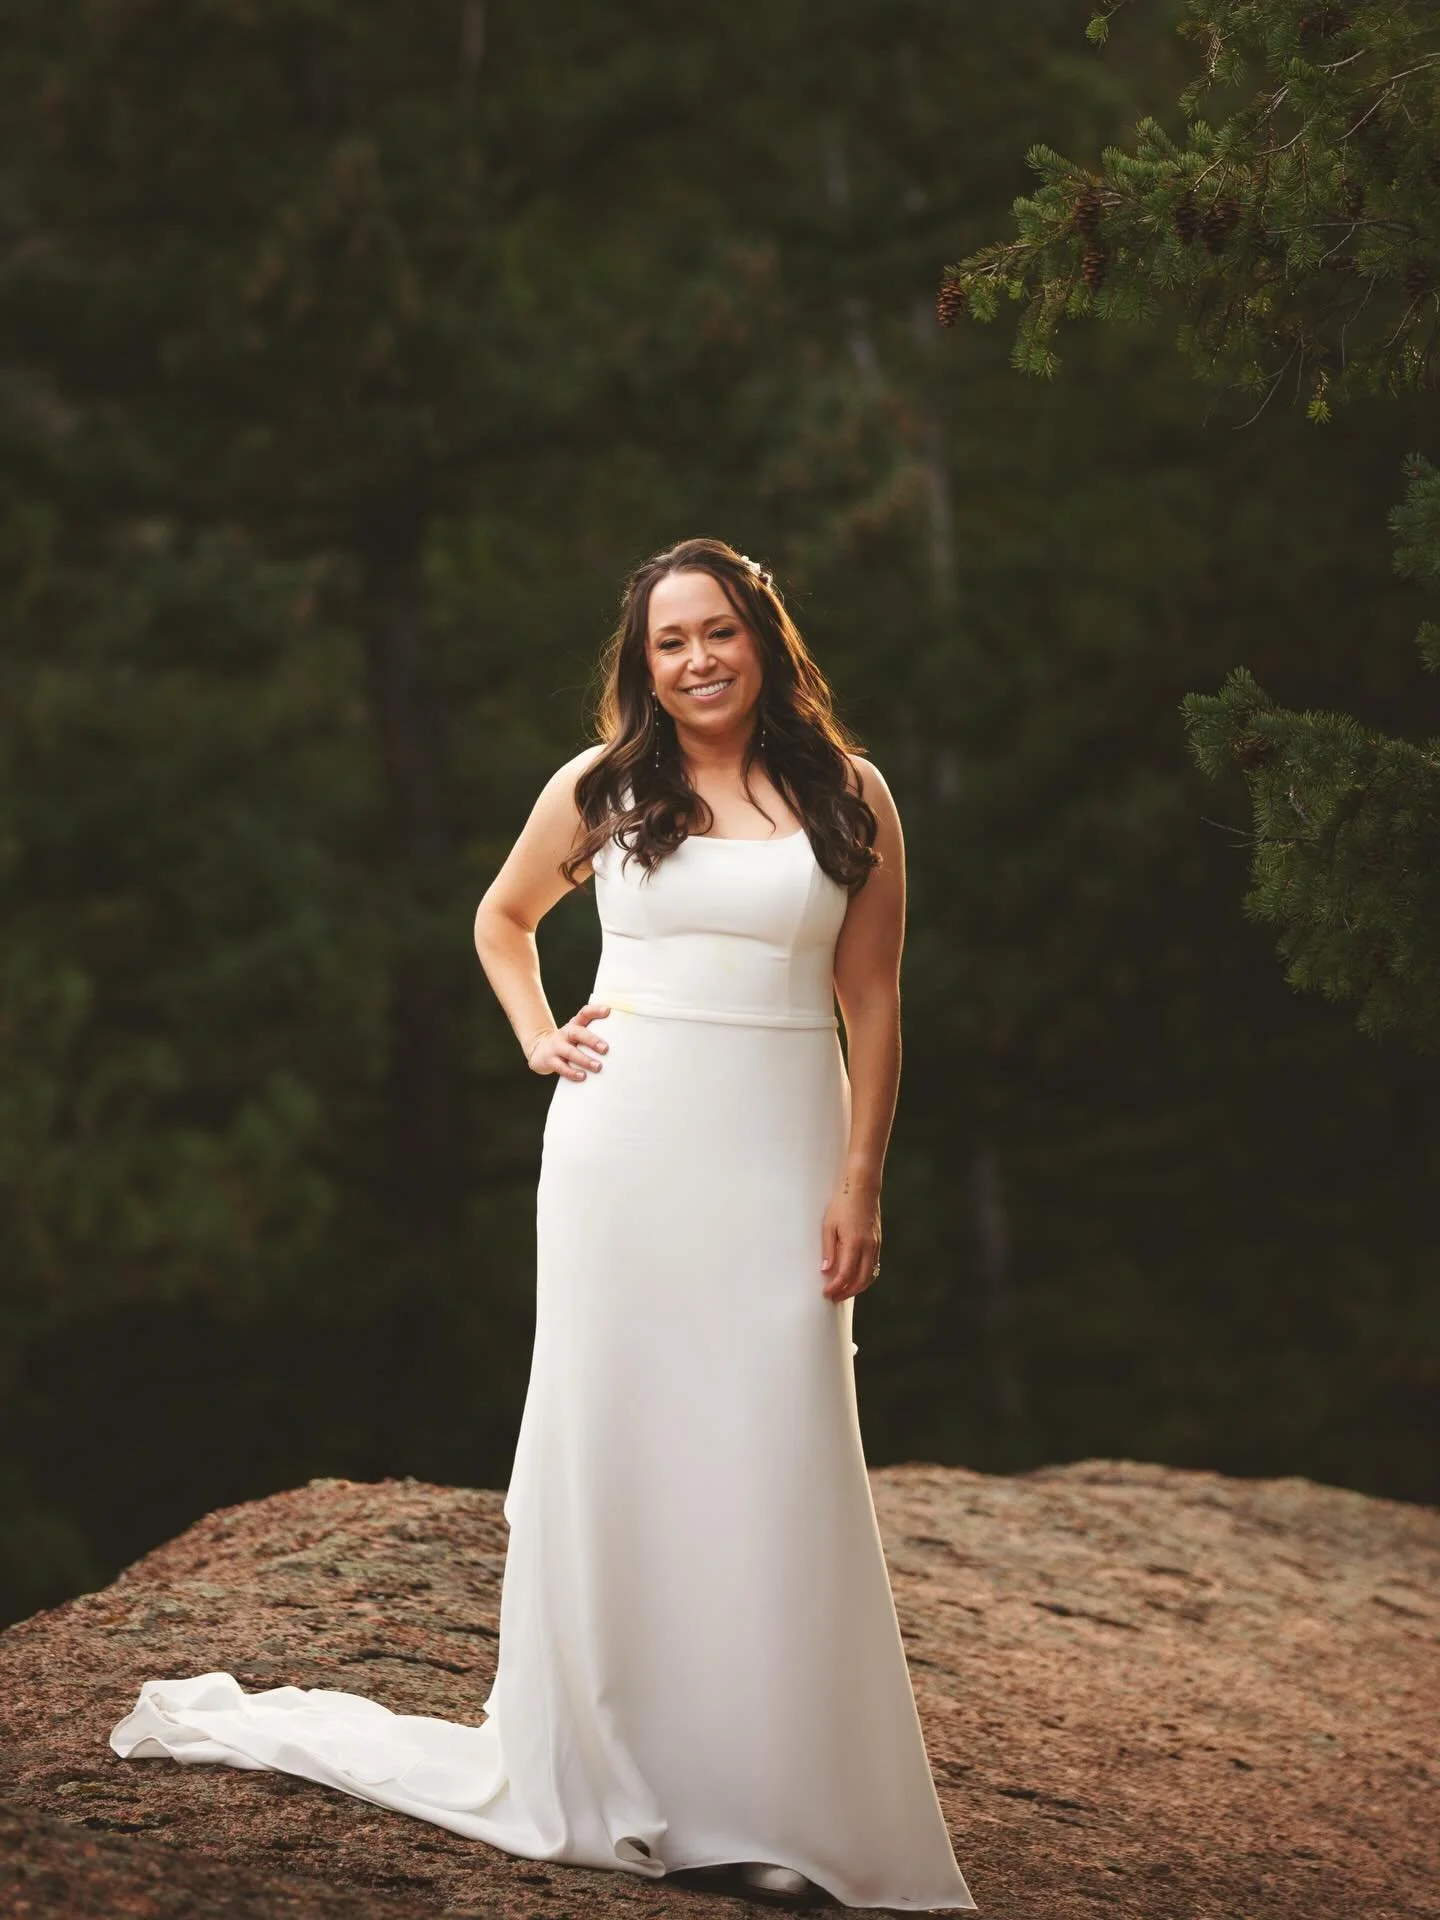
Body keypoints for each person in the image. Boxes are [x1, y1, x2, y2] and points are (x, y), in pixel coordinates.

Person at [108, 537, 978, 1914]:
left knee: (772, 1442)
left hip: (781, 1156)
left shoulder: (849, 796)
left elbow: (873, 1003)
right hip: (623, 1152)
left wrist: (861, 1178)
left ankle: (780, 1798)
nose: (696, 662)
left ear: (764, 639)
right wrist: (537, 1039)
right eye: (668, 644)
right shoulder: (606, 788)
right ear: (643, 666)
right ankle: (634, 1777)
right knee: (621, 1437)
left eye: (718, 634)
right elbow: (504, 918)